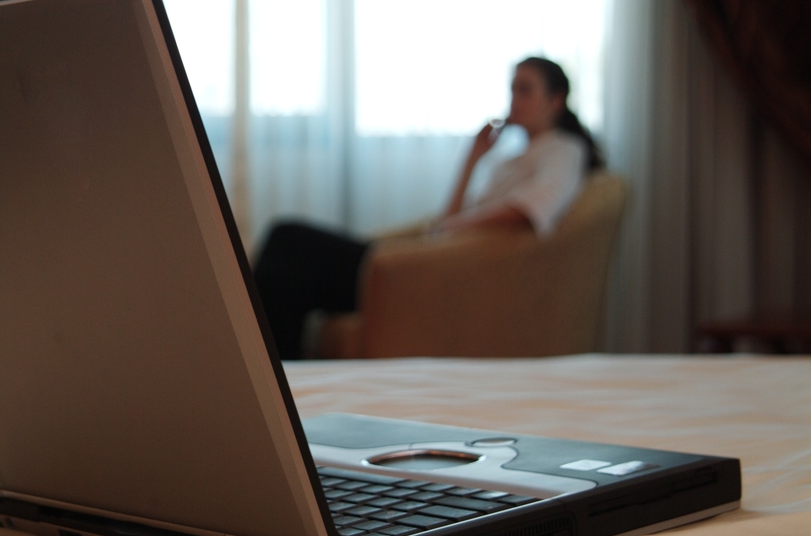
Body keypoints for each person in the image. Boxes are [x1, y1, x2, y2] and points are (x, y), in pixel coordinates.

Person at [252, 57, 602, 360]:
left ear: (556, 100)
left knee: (287, 239)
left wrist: (458, 228)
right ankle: (281, 376)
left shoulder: (563, 150)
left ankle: (273, 377)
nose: (514, 100)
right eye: (512, 89)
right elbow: (447, 220)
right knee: (287, 279)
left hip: (434, 272)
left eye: (525, 89)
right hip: (427, 260)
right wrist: (473, 158)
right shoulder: (513, 158)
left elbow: (531, 210)